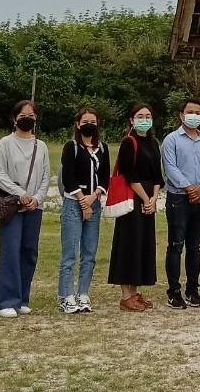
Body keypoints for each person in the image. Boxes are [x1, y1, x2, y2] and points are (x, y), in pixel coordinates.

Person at [0, 100, 50, 318]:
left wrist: (37, 197)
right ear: (14, 119)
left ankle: (22, 298)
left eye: (32, 116)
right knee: (10, 251)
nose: (28, 119)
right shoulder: (5, 143)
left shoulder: (41, 146)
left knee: (29, 252)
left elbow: (45, 176)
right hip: (12, 205)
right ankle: (6, 300)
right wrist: (20, 194)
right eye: (23, 116)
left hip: (35, 206)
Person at [161, 98, 200, 309]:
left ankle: (193, 290)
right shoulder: (171, 140)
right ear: (181, 115)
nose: (194, 116)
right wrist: (188, 188)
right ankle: (174, 291)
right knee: (176, 245)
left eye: (197, 112)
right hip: (178, 199)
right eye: (190, 112)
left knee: (195, 247)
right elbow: (170, 168)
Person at [108, 103, 163, 312]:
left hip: (149, 197)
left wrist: (154, 197)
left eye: (148, 115)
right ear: (132, 120)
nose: (145, 119)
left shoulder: (154, 143)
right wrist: (145, 197)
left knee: (143, 244)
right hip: (133, 198)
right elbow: (130, 174)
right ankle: (125, 295)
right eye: (140, 116)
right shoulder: (128, 143)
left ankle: (135, 291)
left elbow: (158, 174)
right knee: (128, 244)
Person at [57, 107, 109, 314]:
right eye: (85, 121)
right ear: (78, 124)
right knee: (70, 253)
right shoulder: (71, 147)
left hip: (94, 202)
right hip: (73, 203)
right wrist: (82, 201)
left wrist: (94, 196)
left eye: (93, 122)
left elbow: (105, 177)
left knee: (89, 252)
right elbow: (67, 178)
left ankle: (83, 293)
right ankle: (66, 296)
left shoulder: (102, 148)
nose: (89, 125)